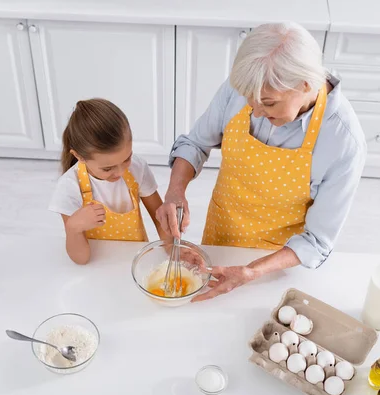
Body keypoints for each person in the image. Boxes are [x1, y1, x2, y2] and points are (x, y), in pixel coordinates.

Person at [156, 22, 367, 301]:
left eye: (268, 103)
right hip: (221, 232)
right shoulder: (252, 85)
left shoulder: (344, 142)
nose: (254, 112)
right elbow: (196, 143)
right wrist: (175, 190)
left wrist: (251, 272)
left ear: (305, 85)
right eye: (250, 101)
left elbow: (316, 242)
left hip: (276, 263)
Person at [49, 98, 170, 264]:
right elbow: (81, 259)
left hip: (136, 262)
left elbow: (159, 219)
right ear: (79, 156)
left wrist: (174, 250)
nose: (120, 172)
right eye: (108, 169)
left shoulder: (137, 168)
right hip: (98, 267)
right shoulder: (69, 186)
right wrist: (73, 228)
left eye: (127, 158)